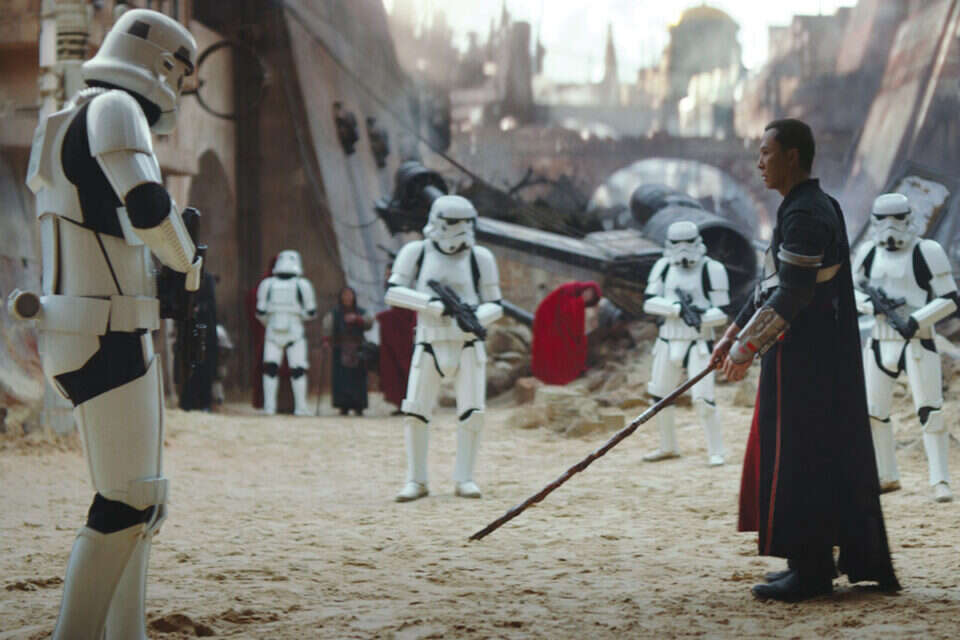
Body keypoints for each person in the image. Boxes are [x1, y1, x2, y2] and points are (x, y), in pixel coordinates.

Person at [18, 10, 199, 638]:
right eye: (179, 71)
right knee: (127, 503)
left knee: (144, 500)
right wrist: (188, 259)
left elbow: (110, 219)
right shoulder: (115, 109)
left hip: (96, 325)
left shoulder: (67, 117)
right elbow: (149, 207)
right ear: (162, 66)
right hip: (104, 329)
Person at [712, 119, 900, 602]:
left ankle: (812, 571)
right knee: (798, 453)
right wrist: (733, 334)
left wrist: (744, 349)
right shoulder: (803, 206)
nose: (759, 162)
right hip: (801, 355)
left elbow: (792, 294)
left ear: (792, 156)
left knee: (802, 457)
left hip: (809, 360)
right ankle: (805, 561)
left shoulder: (807, 213)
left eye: (766, 152)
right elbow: (771, 285)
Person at [385, 195, 503, 501]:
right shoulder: (416, 252)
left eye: (465, 223)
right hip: (429, 341)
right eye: (453, 223)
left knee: (473, 413)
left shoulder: (480, 258)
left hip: (468, 344)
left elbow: (495, 304)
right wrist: (430, 304)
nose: (459, 230)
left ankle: (465, 478)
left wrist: (475, 317)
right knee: (416, 411)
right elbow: (393, 292)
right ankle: (417, 479)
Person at [853, 192, 958, 502]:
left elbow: (949, 298)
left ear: (909, 218)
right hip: (879, 340)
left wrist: (916, 320)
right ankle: (886, 475)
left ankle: (940, 480)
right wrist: (870, 305)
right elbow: (850, 289)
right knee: (874, 412)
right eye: (883, 219)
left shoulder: (927, 251)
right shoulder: (868, 252)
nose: (891, 226)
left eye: (897, 218)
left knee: (930, 411)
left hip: (917, 339)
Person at [642, 221, 730, 466]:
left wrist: (701, 316)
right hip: (668, 337)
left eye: (688, 242)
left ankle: (716, 451)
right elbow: (649, 302)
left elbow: (722, 312)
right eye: (676, 243)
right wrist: (675, 309)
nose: (682, 249)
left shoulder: (712, 269)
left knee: (703, 399)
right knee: (660, 395)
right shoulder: (662, 267)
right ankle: (668, 446)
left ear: (697, 242)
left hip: (698, 341)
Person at [256, 250, 318, 416]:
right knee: (271, 369)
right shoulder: (268, 285)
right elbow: (260, 312)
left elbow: (310, 312)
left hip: (289, 332)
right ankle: (271, 407)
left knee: (297, 370)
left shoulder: (300, 285)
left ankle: (299, 407)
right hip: (279, 332)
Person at [530, 281, 601, 386]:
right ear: (586, 289)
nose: (588, 297)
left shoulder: (578, 300)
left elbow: (574, 324)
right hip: (549, 321)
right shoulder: (570, 290)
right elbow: (561, 307)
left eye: (591, 297)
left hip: (560, 326)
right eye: (589, 293)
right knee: (551, 349)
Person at [322, 286, 374, 416]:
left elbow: (369, 323)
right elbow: (327, 326)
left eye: (350, 295)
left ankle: (359, 405)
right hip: (340, 348)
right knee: (342, 378)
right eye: (345, 295)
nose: (347, 297)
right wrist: (326, 340)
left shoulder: (360, 312)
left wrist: (357, 319)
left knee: (358, 378)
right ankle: (343, 405)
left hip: (357, 349)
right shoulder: (335, 313)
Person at [376, 268, 417, 414]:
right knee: (393, 369)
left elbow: (409, 311)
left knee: (407, 369)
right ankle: (400, 404)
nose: (387, 276)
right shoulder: (388, 287)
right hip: (392, 332)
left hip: (405, 334)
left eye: (390, 274)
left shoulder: (405, 287)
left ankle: (411, 403)